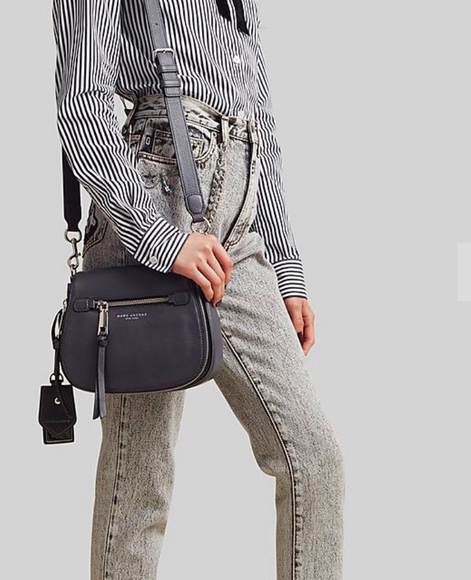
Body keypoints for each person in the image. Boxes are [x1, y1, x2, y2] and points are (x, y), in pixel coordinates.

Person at [52, 1, 345, 578]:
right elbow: (82, 103)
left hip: (241, 221)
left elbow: (260, 128)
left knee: (314, 459)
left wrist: (285, 268)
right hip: (152, 203)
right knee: (141, 479)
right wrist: (159, 237)